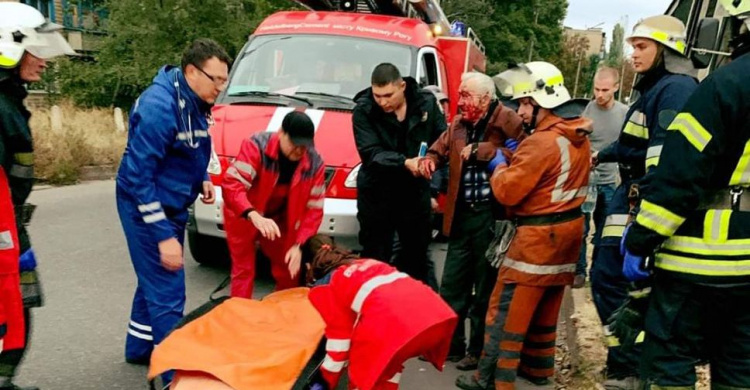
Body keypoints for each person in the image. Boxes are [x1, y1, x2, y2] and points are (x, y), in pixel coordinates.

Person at [622, 1, 750, 388]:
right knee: (740, 371)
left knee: (668, 363)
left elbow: (680, 175)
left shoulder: (727, 84)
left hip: (699, 262)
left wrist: (642, 238)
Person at [457, 61, 591, 390]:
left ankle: (491, 379)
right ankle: (538, 368)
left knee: (504, 308)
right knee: (546, 306)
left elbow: (507, 192)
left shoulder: (540, 143)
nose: (519, 111)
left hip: (536, 240)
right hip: (567, 236)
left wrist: (499, 165)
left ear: (538, 102)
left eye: (523, 103)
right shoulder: (577, 136)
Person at [590, 15, 698, 389]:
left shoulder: (676, 89)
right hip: (630, 193)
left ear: (667, 49)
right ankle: (624, 364)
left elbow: (665, 160)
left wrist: (644, 219)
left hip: (639, 199)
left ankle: (631, 368)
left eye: (641, 46)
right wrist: (600, 155)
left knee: (618, 283)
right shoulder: (654, 89)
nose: (633, 54)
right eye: (632, 46)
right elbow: (633, 144)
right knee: (608, 278)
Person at [116, 39, 230, 381]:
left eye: (225, 80)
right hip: (145, 203)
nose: (221, 88)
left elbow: (193, 145)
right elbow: (139, 177)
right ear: (192, 71)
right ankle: (174, 377)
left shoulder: (193, 98)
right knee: (168, 288)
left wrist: (202, 178)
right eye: (217, 80)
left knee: (152, 278)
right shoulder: (159, 107)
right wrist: (163, 235)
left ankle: (139, 347)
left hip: (173, 199)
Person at [420, 72, 523, 370]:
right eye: (461, 94)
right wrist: (430, 161)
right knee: (452, 286)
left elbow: (524, 156)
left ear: (485, 99)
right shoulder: (458, 125)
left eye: (466, 96)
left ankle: (477, 351)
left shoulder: (509, 120)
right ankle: (451, 346)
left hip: (491, 217)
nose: (460, 101)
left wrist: (485, 151)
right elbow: (439, 150)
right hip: (462, 215)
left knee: (485, 291)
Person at [0, 3, 76, 389]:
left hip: (11, 226)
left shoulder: (10, 102)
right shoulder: (1, 108)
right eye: (37, 49)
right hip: (4, 233)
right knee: (11, 312)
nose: (45, 61)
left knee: (20, 308)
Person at [305, 235, 458, 390]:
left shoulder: (326, 286)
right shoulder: (368, 263)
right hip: (436, 318)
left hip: (394, 326)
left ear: (308, 266)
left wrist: (323, 381)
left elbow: (339, 342)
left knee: (363, 373)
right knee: (386, 368)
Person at [352, 63, 446, 283]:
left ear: (402, 86)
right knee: (376, 257)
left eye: (388, 95)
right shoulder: (363, 110)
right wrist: (405, 162)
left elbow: (442, 143)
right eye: (377, 95)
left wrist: (434, 183)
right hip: (377, 192)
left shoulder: (427, 103)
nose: (383, 102)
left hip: (415, 191)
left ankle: (418, 306)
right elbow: (371, 153)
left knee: (416, 255)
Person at [222, 110, 326, 298]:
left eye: (304, 146)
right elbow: (233, 185)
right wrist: (252, 214)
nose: (300, 151)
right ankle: (239, 316)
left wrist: (299, 245)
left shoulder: (315, 163)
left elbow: (314, 211)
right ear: (281, 133)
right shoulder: (256, 146)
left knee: (289, 270)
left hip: (281, 220)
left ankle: (282, 317)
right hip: (245, 215)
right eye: (295, 144)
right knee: (243, 270)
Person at [573, 67, 629, 289]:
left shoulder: (625, 113)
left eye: (605, 90)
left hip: (611, 182)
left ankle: (598, 270)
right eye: (597, 89)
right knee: (581, 228)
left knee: (606, 229)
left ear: (616, 87)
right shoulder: (587, 111)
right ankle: (579, 271)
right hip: (587, 181)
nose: (600, 94)